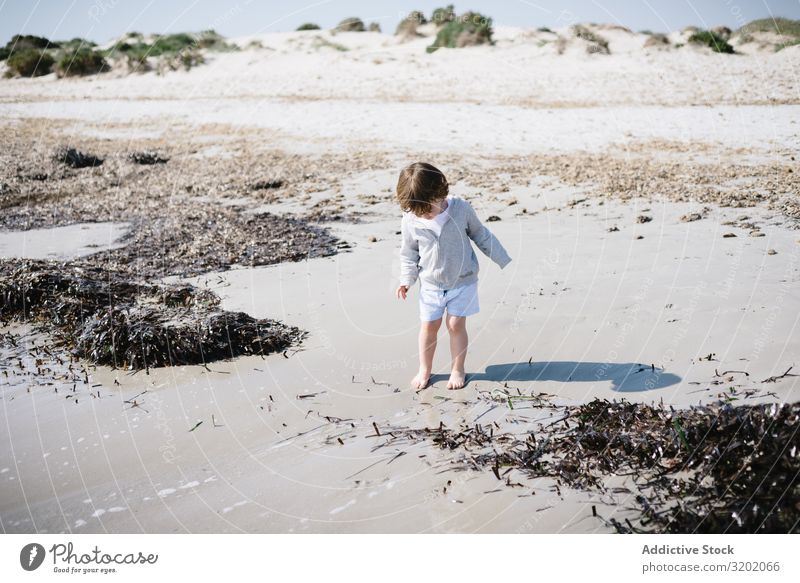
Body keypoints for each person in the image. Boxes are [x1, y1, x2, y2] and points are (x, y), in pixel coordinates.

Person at [395, 162, 511, 390]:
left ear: (441, 192)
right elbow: (409, 253)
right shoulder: (410, 219)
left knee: (456, 324)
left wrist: (500, 257)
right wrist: (406, 280)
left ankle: (458, 368)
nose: (426, 215)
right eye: (420, 212)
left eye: (429, 208)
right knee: (429, 326)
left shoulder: (461, 209)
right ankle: (425, 369)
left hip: (463, 280)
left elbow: (481, 234)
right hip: (431, 283)